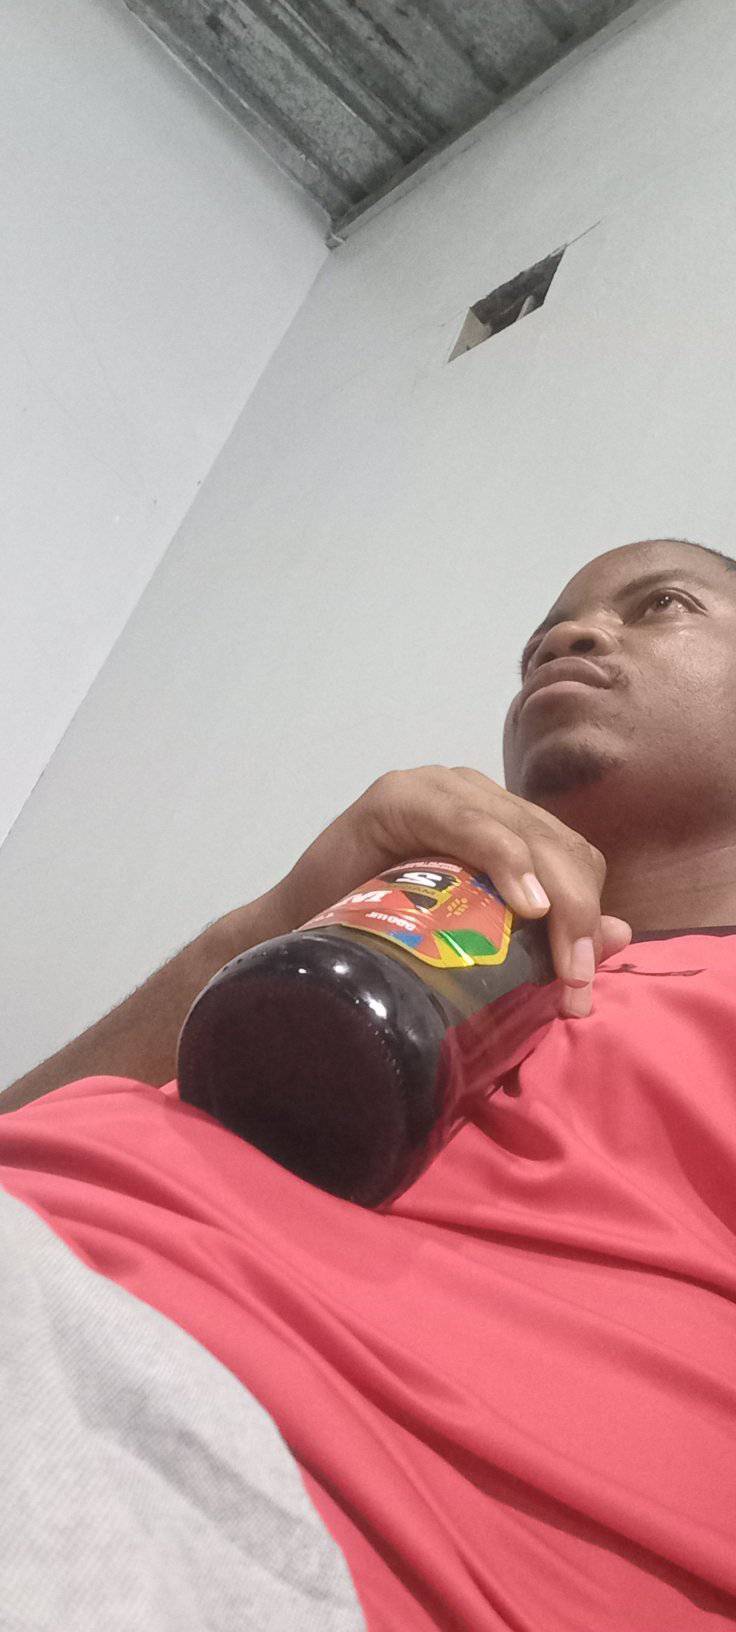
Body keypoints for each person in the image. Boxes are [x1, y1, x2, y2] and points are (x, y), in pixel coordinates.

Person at [1, 533, 735, 1630]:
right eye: (541, 638)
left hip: (244, 1501)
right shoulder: (427, 934)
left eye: (660, 604)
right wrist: (265, 924)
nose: (566, 640)